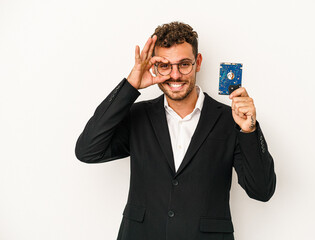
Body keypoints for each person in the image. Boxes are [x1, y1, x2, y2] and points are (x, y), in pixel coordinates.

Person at [75, 21, 276, 240]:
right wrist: (131, 85)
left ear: (198, 62)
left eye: (184, 64)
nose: (175, 75)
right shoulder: (138, 116)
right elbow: (87, 151)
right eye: (165, 65)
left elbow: (262, 191)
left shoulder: (231, 120)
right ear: (154, 67)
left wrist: (249, 130)